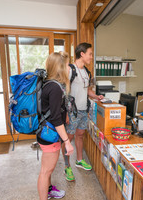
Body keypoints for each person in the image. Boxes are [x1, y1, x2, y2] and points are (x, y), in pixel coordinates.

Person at [61, 43, 104, 181]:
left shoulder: (87, 71)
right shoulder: (69, 69)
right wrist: (66, 113)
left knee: (80, 135)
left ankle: (79, 160)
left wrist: (96, 96)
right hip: (71, 112)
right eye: (90, 54)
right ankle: (67, 167)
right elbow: (62, 92)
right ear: (82, 54)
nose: (91, 57)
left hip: (83, 110)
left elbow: (87, 90)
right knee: (68, 139)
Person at [37, 52, 74, 200]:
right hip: (49, 134)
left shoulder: (48, 83)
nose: (70, 68)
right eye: (67, 65)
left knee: (48, 170)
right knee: (46, 171)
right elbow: (56, 119)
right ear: (61, 68)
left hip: (46, 131)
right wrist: (67, 142)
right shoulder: (55, 88)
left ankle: (49, 190)